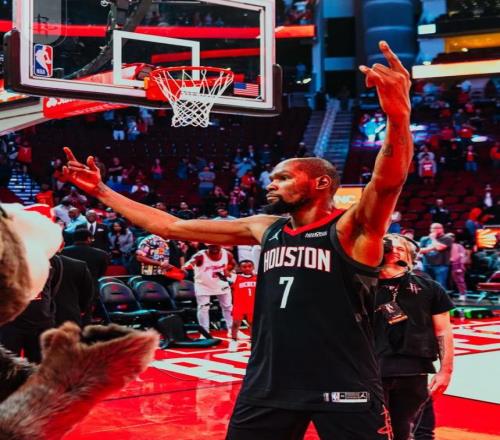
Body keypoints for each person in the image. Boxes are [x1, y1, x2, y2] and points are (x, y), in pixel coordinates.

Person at [62, 40, 412, 439]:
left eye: (284, 177)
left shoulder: (352, 229)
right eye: (272, 177)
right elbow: (171, 227)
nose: (271, 183)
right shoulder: (264, 227)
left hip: (344, 380)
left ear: (320, 183)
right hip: (270, 383)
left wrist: (398, 116)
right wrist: (102, 192)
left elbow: (387, 182)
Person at [375, 234, 454, 440]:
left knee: (406, 430)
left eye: (401, 248)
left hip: (414, 370)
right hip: (371, 369)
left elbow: (443, 331)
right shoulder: (361, 285)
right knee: (373, 430)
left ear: (411, 256)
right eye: (388, 247)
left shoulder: (430, 288)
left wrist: (445, 371)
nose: (395, 251)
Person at [182, 244, 236, 334]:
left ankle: (232, 330)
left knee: (228, 306)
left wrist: (227, 270)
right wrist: (187, 266)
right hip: (203, 285)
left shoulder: (227, 254)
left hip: (220, 283)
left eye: (216, 246)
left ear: (220, 245)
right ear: (207, 246)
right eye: (212, 246)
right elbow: (190, 263)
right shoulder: (200, 255)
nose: (214, 248)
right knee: (203, 308)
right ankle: (204, 332)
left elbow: (232, 264)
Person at [228, 260, 257, 352]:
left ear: (253, 267)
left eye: (249, 266)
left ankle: (252, 341)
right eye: (244, 267)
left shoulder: (258, 278)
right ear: (240, 268)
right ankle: (233, 341)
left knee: (252, 324)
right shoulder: (235, 277)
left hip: (252, 305)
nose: (247, 268)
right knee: (236, 323)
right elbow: (225, 273)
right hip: (239, 305)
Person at [419, 223, 453, 288]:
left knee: (440, 285)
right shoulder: (424, 239)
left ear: (442, 229)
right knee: (427, 284)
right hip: (427, 264)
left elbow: (439, 248)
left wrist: (433, 239)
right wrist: (432, 247)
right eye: (433, 228)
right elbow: (420, 251)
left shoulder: (447, 238)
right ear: (430, 229)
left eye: (438, 228)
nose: (435, 230)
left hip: (441, 265)